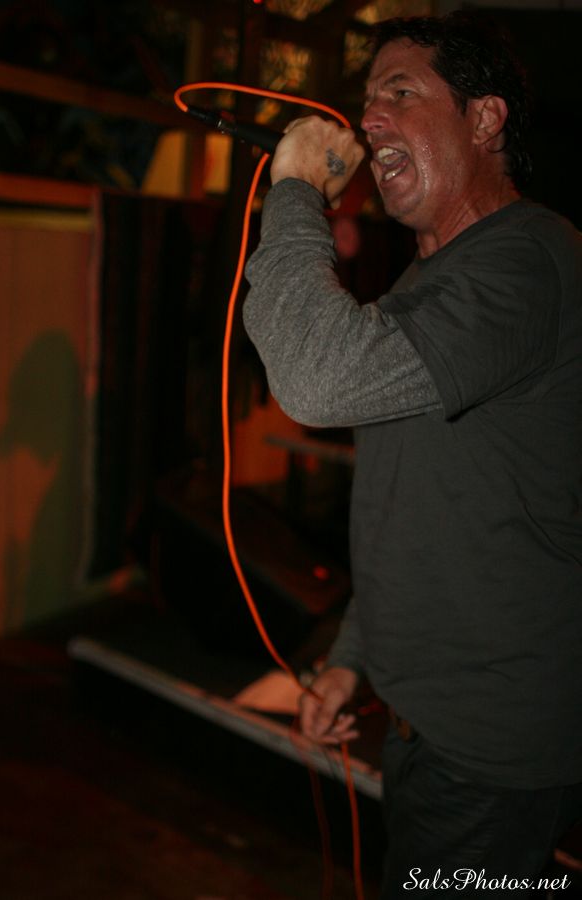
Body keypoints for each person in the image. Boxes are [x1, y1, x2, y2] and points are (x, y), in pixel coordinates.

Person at [242, 11, 582, 896]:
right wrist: (354, 656)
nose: (371, 119)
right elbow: (414, 503)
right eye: (368, 99)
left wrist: (295, 191)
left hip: (490, 750)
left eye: (401, 92)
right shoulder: (424, 283)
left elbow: (315, 378)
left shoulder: (528, 261)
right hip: (426, 726)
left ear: (484, 118)